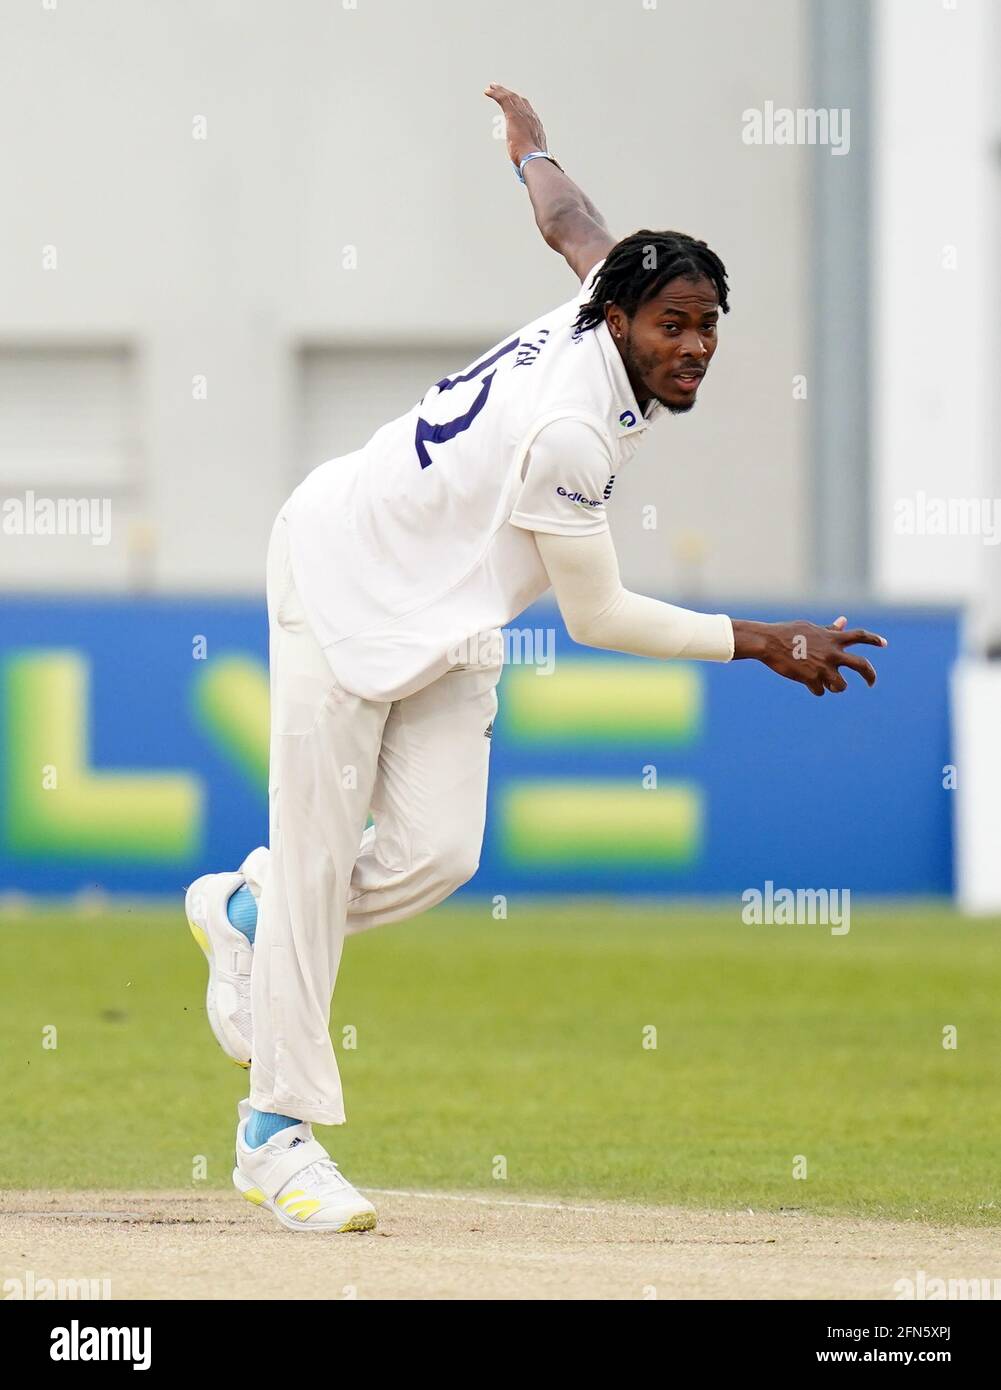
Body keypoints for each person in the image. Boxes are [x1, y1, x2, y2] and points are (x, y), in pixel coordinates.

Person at [184, 85, 886, 1234]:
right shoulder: (572, 430)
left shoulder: (602, 287)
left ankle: (244, 916)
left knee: (440, 854)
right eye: (672, 326)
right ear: (617, 323)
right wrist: (763, 639)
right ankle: (276, 1134)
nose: (693, 347)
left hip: (450, 606)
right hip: (338, 571)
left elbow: (569, 221)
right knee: (320, 860)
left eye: (707, 323)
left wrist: (532, 152)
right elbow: (598, 616)